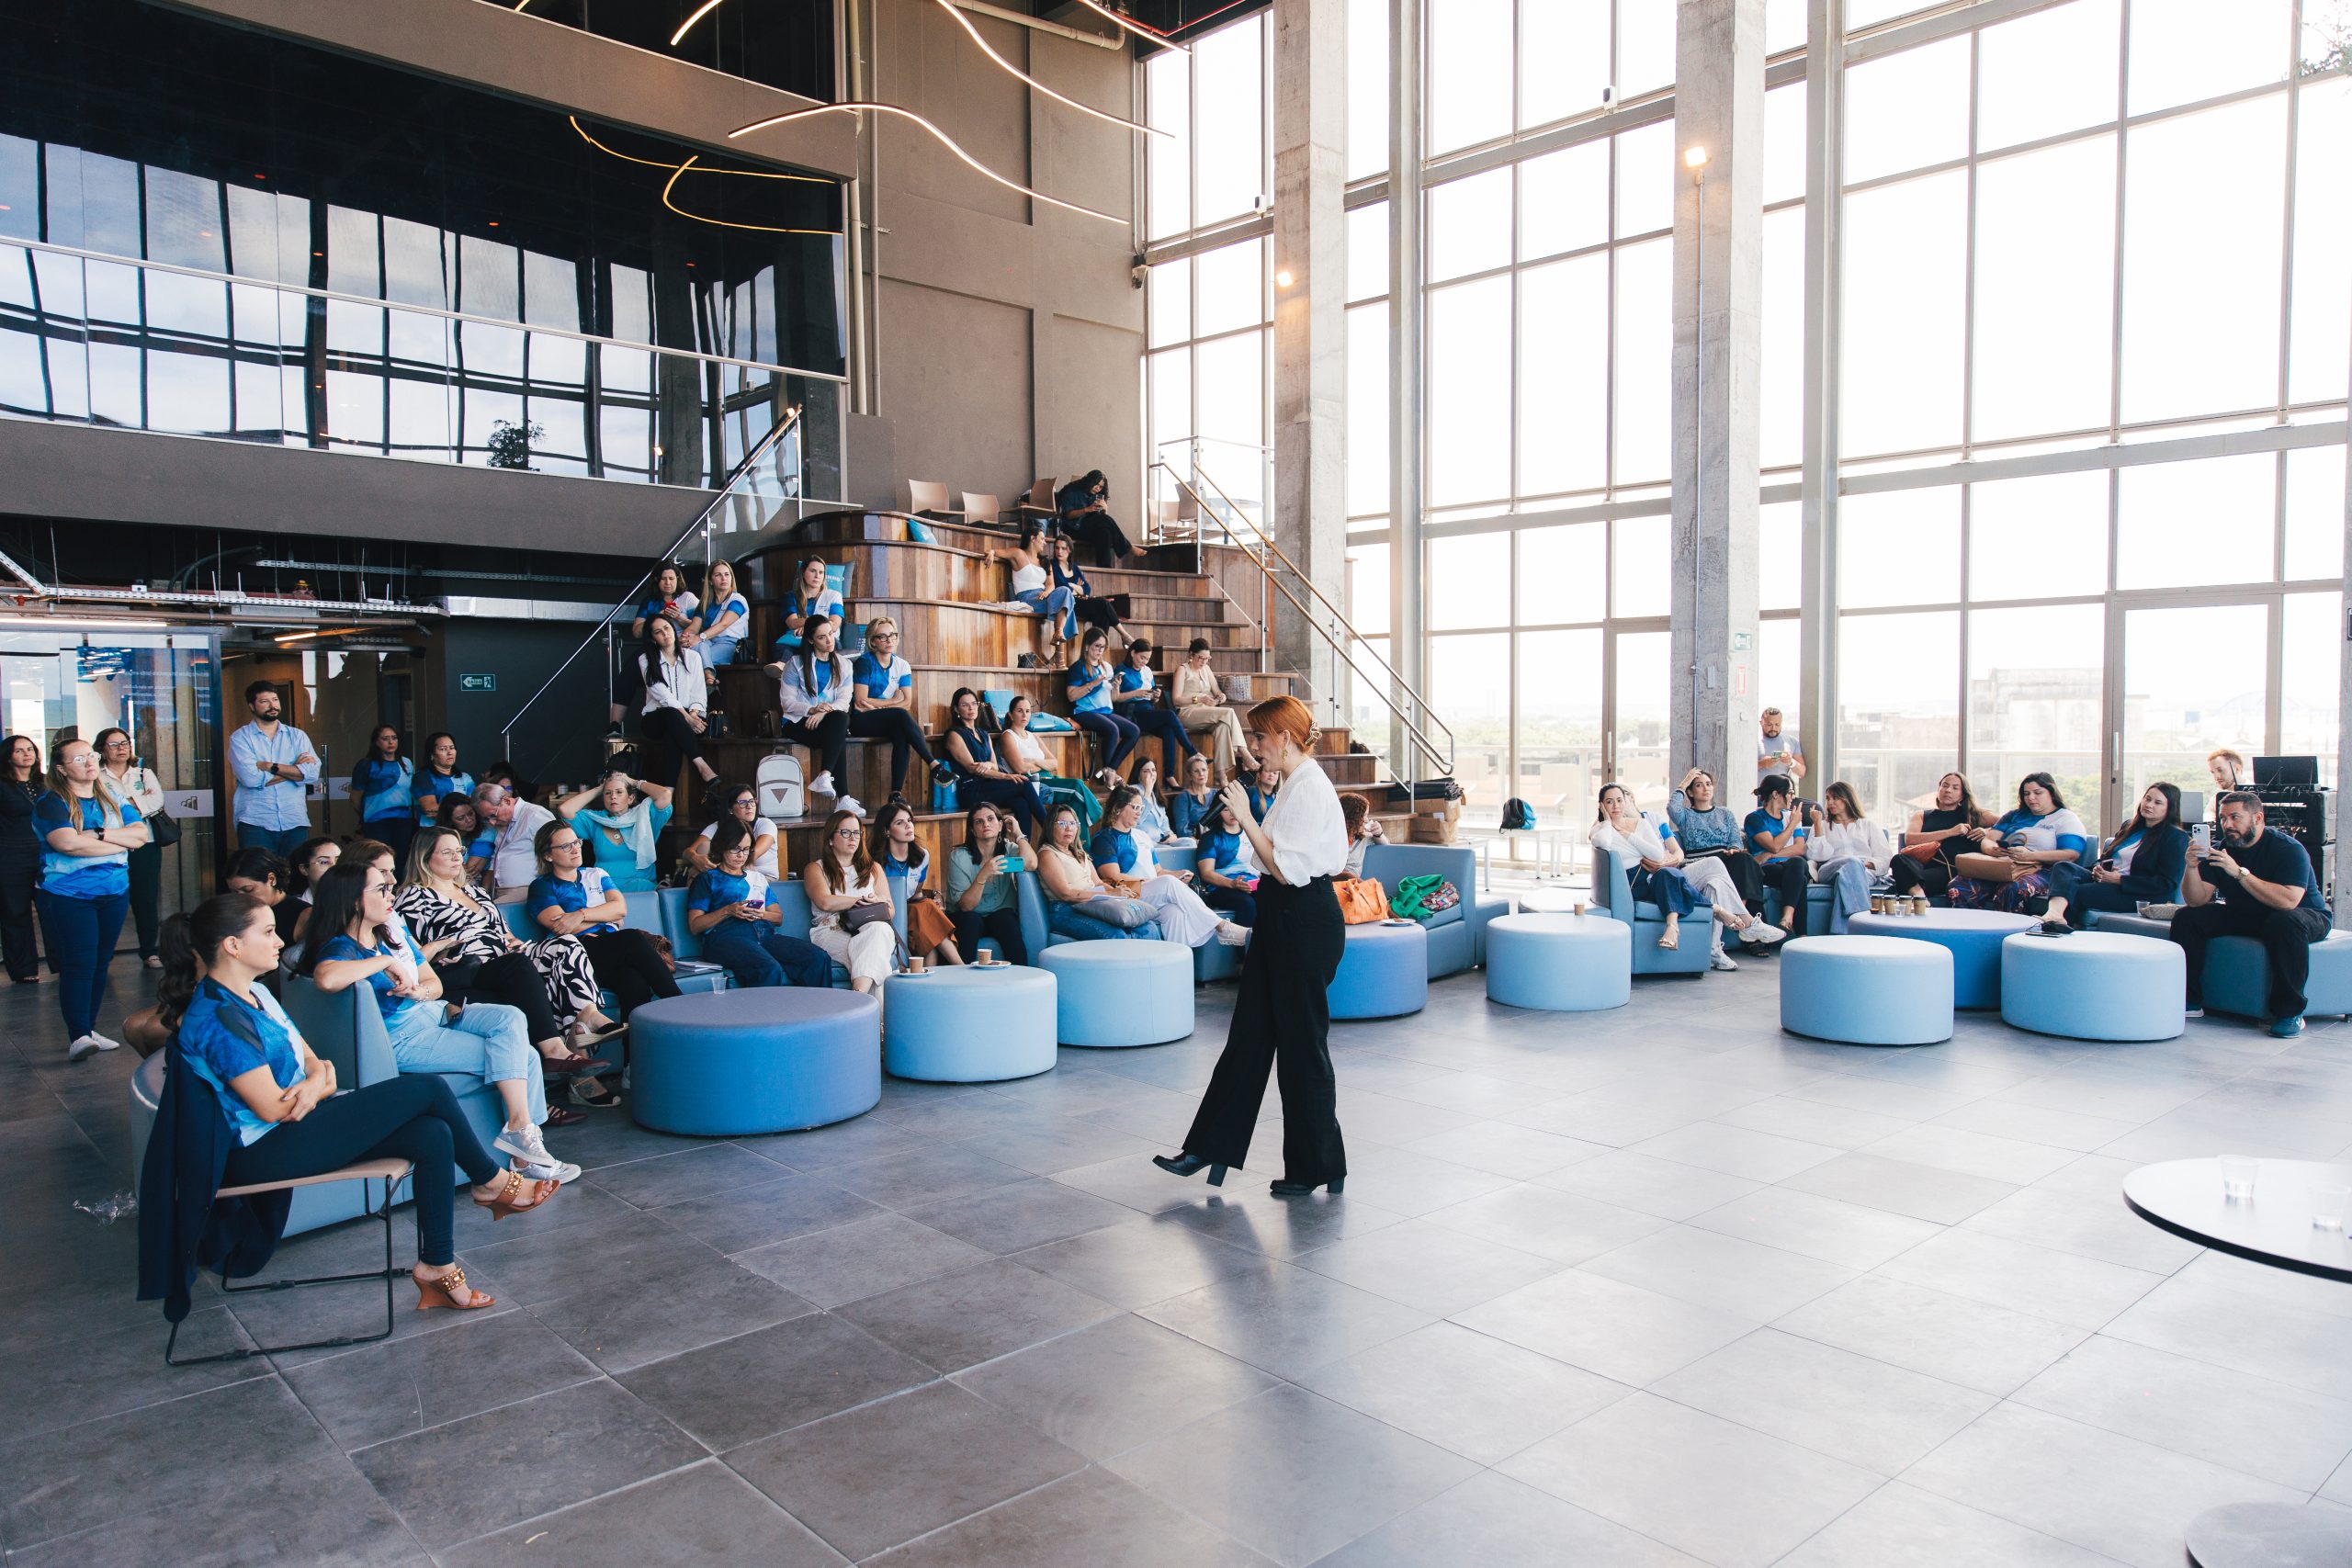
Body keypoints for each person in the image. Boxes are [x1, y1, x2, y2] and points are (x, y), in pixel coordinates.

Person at [158, 894, 559, 1314]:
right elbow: (274, 1109)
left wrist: (315, 1083)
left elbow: (315, 1061)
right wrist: (317, 1085)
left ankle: (437, 1267)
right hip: (260, 1150)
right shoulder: (217, 1016)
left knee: (432, 1134)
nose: (280, 942)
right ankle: (491, 1182)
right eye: (268, 932)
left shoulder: (257, 994)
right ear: (232, 946)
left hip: (297, 1122)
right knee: (427, 1090)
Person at [1153, 696, 1349, 1198]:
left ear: (1284, 735)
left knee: (1303, 1049)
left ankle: (1317, 1165)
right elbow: (1270, 864)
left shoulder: (1308, 787)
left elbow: (1285, 867)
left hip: (1304, 919)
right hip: (1282, 915)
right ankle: (1210, 1147)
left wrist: (1245, 814)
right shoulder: (1292, 783)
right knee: (1248, 1039)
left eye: (1260, 737)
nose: (1254, 746)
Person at [302, 862, 577, 1183]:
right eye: (380, 889)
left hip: (432, 1013)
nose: (389, 891)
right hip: (404, 1037)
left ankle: (520, 1134)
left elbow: (434, 985)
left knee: (511, 1016)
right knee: (527, 1056)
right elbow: (326, 978)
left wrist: (418, 990)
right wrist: (387, 961)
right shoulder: (343, 947)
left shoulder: (389, 934)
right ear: (353, 901)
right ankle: (525, 1155)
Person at [396, 826, 620, 1089]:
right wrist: (438, 950)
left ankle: (588, 1016)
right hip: (469, 966)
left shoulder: (475, 891)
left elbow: (503, 931)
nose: (458, 857)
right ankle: (557, 1054)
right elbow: (409, 951)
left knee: (566, 945)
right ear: (424, 858)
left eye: (460, 850)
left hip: (504, 955)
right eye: (448, 852)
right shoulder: (413, 896)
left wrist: (511, 939)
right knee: (520, 967)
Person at [2173, 790, 2335, 1037]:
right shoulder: (2222, 850)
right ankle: (2190, 1001)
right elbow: (2196, 900)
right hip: (2249, 913)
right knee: (2188, 917)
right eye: (2223, 818)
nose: (2227, 825)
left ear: (2257, 818)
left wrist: (2239, 872)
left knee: (2283, 922)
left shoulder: (2288, 849)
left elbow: (2288, 901)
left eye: (2235, 817)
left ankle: (2290, 1012)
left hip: (2303, 915)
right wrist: (2192, 867)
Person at [39, 736, 151, 1058]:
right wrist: (120, 843)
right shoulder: (52, 802)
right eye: (78, 759)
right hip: (71, 895)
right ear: (61, 769)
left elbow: (141, 836)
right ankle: (78, 1036)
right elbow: (68, 845)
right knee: (80, 963)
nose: (89, 762)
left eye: (90, 756)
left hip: (114, 892)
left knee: (101, 963)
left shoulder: (112, 794)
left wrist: (100, 835)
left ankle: (88, 1029)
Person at [1594, 782, 1781, 970]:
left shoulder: (1650, 821)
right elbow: (1603, 840)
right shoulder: (1604, 828)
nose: (1617, 805)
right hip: (1652, 880)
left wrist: (1661, 859)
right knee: (1704, 880)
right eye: (1610, 802)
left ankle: (1722, 941)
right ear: (1603, 805)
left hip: (1672, 870)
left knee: (1711, 871)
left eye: (1621, 799)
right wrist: (1610, 824)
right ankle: (1727, 925)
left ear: (1630, 800)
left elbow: (1669, 854)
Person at [527, 819, 680, 1017]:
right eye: (566, 846)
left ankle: (635, 1046)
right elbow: (562, 926)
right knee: (631, 938)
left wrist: (580, 915)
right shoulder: (542, 886)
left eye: (576, 842)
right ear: (548, 855)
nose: (575, 849)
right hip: (575, 955)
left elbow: (620, 909)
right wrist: (605, 916)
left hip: (609, 951)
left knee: (633, 981)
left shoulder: (596, 874)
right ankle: (677, 1002)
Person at [1090, 785, 1248, 949]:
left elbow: (1158, 872)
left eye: (1141, 808)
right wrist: (1157, 881)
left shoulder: (1142, 836)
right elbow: (1115, 877)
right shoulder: (1104, 838)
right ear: (1117, 808)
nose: (1139, 812)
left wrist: (1178, 874)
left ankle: (1177, 967)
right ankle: (1222, 927)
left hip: (1150, 892)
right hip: (1125, 892)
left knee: (1175, 913)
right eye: (1135, 807)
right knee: (1167, 883)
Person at [685, 818, 831, 988]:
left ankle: (815, 1012)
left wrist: (760, 913)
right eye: (736, 849)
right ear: (722, 846)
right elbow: (695, 926)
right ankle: (765, 1015)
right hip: (724, 939)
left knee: (817, 958)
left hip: (764, 935)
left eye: (746, 849)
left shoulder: (757, 878)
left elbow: (778, 918)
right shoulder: (707, 879)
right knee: (767, 967)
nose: (741, 855)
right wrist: (727, 911)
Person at [2041, 782, 2188, 933]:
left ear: (2169, 808)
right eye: (2147, 799)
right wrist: (2099, 868)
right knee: (2063, 867)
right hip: (2108, 880)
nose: (2149, 805)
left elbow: (2167, 883)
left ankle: (2057, 933)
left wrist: (2118, 879)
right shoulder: (2130, 827)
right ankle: (2055, 915)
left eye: (2157, 802)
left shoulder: (2175, 836)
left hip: (2140, 894)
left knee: (2077, 891)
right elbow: (2107, 857)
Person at [1946, 773, 2089, 916]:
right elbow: (1988, 839)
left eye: (2037, 793)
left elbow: (2071, 854)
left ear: (2051, 792)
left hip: (2041, 869)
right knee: (1959, 885)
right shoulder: (2014, 815)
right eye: (2026, 794)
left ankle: (2006, 934)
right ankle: (1969, 931)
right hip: (2003, 865)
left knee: (2013, 889)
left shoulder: (2065, 818)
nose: (2031, 798)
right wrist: (1992, 850)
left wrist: (2031, 856)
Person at [94, 728, 170, 971]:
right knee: (110, 898)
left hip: (143, 844)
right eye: (114, 744)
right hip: (110, 845)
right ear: (102, 749)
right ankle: (104, 953)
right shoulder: (97, 776)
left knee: (145, 900)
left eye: (125, 743)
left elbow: (156, 801)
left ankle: (149, 951)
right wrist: (137, 802)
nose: (121, 748)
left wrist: (121, 804)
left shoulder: (143, 773)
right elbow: (99, 807)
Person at [802, 810, 899, 993]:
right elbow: (825, 902)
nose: (852, 838)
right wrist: (863, 901)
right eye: (845, 833)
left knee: (879, 932)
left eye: (856, 833)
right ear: (831, 838)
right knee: (875, 958)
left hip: (869, 928)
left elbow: (890, 910)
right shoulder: (816, 868)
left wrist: (878, 903)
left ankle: (859, 998)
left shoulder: (873, 868)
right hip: (831, 930)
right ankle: (876, 1019)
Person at [1035, 802, 1161, 941]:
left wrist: (1121, 894)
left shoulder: (1079, 853)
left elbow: (1098, 883)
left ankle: (1147, 962)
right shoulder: (1048, 854)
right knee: (1116, 935)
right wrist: (1111, 893)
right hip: (1066, 910)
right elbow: (1065, 894)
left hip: (1093, 905)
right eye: (1062, 823)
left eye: (1073, 824)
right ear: (1050, 826)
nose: (1068, 828)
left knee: (1148, 927)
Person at [849, 615, 942, 797]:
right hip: (860, 721)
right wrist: (892, 702)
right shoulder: (864, 662)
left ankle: (895, 793)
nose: (889, 640)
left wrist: (879, 705)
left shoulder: (902, 665)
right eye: (882, 636)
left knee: (901, 732)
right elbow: (860, 701)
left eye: (892, 635)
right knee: (899, 715)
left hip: (884, 719)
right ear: (873, 642)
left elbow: (906, 703)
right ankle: (934, 764)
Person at [770, 614, 854, 802]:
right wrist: (811, 710)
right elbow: (787, 702)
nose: (829, 640)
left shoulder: (845, 665)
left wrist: (822, 712)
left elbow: (844, 700)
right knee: (838, 731)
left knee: (841, 719)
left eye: (831, 634)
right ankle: (844, 799)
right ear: (810, 640)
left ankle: (825, 776)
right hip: (798, 724)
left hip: (825, 723)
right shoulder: (795, 664)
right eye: (822, 637)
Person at [228, 681, 318, 854]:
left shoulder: (297, 736)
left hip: (294, 820)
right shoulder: (240, 738)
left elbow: (312, 773)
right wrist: (295, 769)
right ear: (252, 706)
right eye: (264, 701)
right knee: (258, 877)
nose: (272, 705)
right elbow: (251, 778)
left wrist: (271, 767)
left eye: (275, 700)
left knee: (294, 878)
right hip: (256, 822)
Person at [874, 797, 963, 965]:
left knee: (925, 912)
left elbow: (915, 894)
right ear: (887, 830)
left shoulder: (922, 856)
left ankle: (934, 977)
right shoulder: (876, 862)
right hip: (886, 915)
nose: (908, 826)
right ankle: (960, 966)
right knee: (923, 912)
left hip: (911, 912)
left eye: (909, 821)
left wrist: (934, 900)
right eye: (900, 823)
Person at [1669, 767, 1767, 916]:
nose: (1706, 788)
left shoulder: (1725, 813)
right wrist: (1685, 782)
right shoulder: (1685, 816)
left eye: (1709, 784)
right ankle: (1744, 917)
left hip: (1726, 858)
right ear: (1690, 792)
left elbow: (1735, 839)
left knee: (1745, 859)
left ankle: (1741, 910)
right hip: (1700, 862)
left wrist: (1733, 848)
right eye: (1699, 785)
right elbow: (1672, 808)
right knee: (1749, 865)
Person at [555, 771, 675, 891]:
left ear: (630, 798)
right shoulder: (596, 820)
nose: (613, 796)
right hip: (604, 890)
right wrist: (600, 788)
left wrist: (633, 782)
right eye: (608, 793)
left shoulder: (645, 817)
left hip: (641, 890)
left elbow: (664, 795)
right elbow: (565, 809)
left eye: (619, 792)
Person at [997, 694, 1097, 838]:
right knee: (1077, 785)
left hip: (1048, 778)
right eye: (1019, 711)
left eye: (1027, 711)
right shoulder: (1008, 736)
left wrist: (1033, 761)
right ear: (1011, 715)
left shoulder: (1033, 736)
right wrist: (1042, 765)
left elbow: (1054, 763)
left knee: (1078, 804)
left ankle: (1080, 846)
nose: (1024, 714)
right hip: (1033, 784)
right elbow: (1020, 768)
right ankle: (1094, 817)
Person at [637, 615, 718, 790]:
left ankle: (668, 794)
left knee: (673, 734)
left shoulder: (693, 657)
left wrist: (694, 714)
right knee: (672, 715)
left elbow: (699, 692)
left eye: (667, 628)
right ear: (653, 638)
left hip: (685, 720)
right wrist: (688, 719)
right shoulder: (646, 660)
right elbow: (662, 695)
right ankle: (701, 765)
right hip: (654, 719)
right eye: (658, 632)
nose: (665, 634)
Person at [943, 686, 1039, 835]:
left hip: (990, 786)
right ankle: (1050, 832)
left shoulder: (984, 733)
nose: (971, 708)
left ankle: (1022, 849)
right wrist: (1007, 776)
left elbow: (994, 766)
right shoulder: (954, 735)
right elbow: (972, 768)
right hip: (970, 789)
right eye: (965, 705)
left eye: (974, 703)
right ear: (956, 709)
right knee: (1024, 783)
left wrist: (988, 764)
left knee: (1021, 803)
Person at [1888, 772, 1992, 902]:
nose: (1948, 790)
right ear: (1938, 789)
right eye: (1945, 785)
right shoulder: (1921, 815)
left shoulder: (1974, 815)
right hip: (1920, 868)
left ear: (1962, 795)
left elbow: (2008, 823)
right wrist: (1950, 832)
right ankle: (1920, 897)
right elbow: (1910, 839)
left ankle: (1918, 897)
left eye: (1955, 788)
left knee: (1901, 884)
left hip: (1952, 871)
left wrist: (1987, 830)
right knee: (1898, 859)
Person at [945, 802, 1029, 964]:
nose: (985, 824)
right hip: (967, 916)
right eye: (979, 822)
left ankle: (1021, 979)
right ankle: (961, 980)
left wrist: (1019, 834)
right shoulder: (960, 857)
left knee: (1006, 919)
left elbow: (1031, 863)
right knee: (971, 921)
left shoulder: (1007, 852)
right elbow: (966, 907)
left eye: (991, 819)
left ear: (1000, 825)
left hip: (999, 914)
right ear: (972, 830)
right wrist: (983, 875)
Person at [1804, 782, 1892, 935]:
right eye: (1828, 798)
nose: (1830, 802)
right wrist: (1818, 826)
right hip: (1829, 869)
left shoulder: (1868, 825)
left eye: (1836, 798)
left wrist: (1865, 864)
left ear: (1848, 799)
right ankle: (1864, 924)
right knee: (1851, 862)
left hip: (1865, 871)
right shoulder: (1822, 825)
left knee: (1847, 874)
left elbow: (1884, 858)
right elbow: (1816, 856)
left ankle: (1840, 933)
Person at [1744, 774, 1821, 938]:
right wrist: (1792, 824)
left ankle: (1787, 918)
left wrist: (1770, 854)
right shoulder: (1755, 819)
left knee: (1798, 864)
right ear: (1776, 794)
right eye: (1790, 793)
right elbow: (1774, 844)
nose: (1792, 797)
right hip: (1768, 870)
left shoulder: (1790, 816)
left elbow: (1800, 848)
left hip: (1789, 866)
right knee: (1798, 876)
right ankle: (1801, 934)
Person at [1113, 641, 1203, 778]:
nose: (1145, 661)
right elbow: (1115, 698)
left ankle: (1169, 776)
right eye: (1142, 657)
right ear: (1132, 653)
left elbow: (1152, 697)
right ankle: (1192, 752)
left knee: (1169, 730)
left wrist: (1156, 696)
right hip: (1131, 713)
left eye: (1147, 658)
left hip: (1147, 711)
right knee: (1169, 715)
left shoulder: (1147, 671)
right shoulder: (1121, 670)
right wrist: (1135, 693)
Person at [988, 524, 1075, 661]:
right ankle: (1059, 655)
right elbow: (996, 551)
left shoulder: (1045, 562)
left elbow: (1051, 584)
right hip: (1027, 597)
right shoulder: (1018, 553)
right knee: (1067, 601)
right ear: (1032, 539)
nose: (1045, 543)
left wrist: (1046, 592)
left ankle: (1058, 633)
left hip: (1044, 596)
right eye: (1042, 539)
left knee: (1066, 594)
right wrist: (991, 554)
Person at [1171, 637, 1254, 776]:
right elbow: (1176, 700)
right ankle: (1244, 753)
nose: (1204, 662)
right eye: (1200, 658)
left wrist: (1222, 697)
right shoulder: (1182, 670)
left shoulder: (1207, 670)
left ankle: (1220, 774)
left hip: (1206, 712)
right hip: (1187, 713)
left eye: (1207, 658)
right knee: (1229, 712)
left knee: (1223, 727)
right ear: (1191, 655)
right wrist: (1199, 698)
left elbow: (1217, 691)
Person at [1068, 629, 1140, 783]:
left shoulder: (1106, 666)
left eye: (1103, 647)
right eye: (1097, 646)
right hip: (1084, 711)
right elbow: (1071, 695)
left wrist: (1116, 686)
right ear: (1087, 646)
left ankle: (1110, 769)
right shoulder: (1078, 667)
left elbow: (1113, 698)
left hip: (1105, 711)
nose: (1100, 650)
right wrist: (1093, 683)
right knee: (1113, 729)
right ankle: (1109, 773)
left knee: (1134, 731)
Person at [0, 734, 43, 984]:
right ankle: (23, 968)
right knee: (15, 913)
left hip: (46, 853)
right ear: (8, 756)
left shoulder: (45, 783)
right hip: (11, 854)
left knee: (52, 909)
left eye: (30, 749)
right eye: (19, 750)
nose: (27, 754)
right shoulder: (3, 785)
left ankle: (62, 962)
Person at [471, 781, 558, 898]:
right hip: (502, 894)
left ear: (506, 801)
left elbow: (559, 850)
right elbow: (496, 860)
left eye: (493, 815)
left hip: (531, 893)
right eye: (487, 819)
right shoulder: (502, 822)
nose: (492, 823)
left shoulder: (535, 815)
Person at [346, 724, 416, 864]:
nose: (391, 742)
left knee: (402, 860)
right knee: (379, 859)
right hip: (376, 821)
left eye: (394, 738)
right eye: (385, 738)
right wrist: (365, 816)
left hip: (404, 819)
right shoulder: (366, 765)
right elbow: (355, 798)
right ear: (376, 742)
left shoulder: (406, 762)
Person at [685, 783, 781, 880]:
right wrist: (696, 859)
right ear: (730, 809)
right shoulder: (718, 826)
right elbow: (688, 852)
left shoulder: (765, 824)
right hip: (728, 872)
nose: (749, 806)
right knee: (704, 847)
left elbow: (750, 857)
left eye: (752, 801)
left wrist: (715, 869)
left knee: (698, 873)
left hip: (762, 877)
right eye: (743, 802)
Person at [224, 847, 306, 955]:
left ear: (271, 879)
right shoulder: (233, 913)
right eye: (234, 892)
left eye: (248, 890)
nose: (241, 898)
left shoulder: (303, 915)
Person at [1048, 531, 1125, 641]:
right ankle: (1124, 635)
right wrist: (1078, 588)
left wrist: (1073, 586)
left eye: (1063, 548)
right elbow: (1062, 586)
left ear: (1069, 550)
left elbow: (1087, 589)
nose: (1059, 551)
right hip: (1067, 604)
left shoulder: (1074, 567)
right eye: (1057, 548)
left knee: (1102, 616)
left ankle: (1096, 648)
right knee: (1103, 603)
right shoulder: (1053, 565)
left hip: (1080, 602)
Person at [1194, 798, 1260, 926]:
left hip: (1252, 884)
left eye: (1234, 808)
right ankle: (1245, 944)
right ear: (1218, 812)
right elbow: (1206, 873)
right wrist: (1232, 884)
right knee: (1247, 903)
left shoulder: (1251, 833)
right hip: (1221, 888)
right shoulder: (1210, 838)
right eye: (1226, 809)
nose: (1232, 813)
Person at [1054, 468, 1133, 567]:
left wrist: (1105, 509)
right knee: (1104, 522)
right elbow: (1067, 515)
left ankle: (1105, 569)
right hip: (1073, 529)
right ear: (1090, 481)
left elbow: (1102, 521)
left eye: (1101, 487)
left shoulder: (1096, 496)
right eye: (1096, 484)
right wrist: (1087, 509)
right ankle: (1127, 547)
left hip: (1088, 529)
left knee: (1105, 531)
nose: (1098, 488)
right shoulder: (1072, 492)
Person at [686, 558, 751, 671]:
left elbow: (723, 625)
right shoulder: (706, 603)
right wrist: (685, 638)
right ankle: (709, 676)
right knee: (690, 651)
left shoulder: (737, 600)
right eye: (718, 575)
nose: (724, 578)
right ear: (710, 580)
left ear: (731, 578)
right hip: (707, 642)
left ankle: (708, 674)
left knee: (695, 658)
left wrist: (699, 637)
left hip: (731, 644)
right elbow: (694, 627)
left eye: (727, 574)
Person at [773, 557, 843, 656]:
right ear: (803, 573)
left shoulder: (834, 596)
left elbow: (834, 625)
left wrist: (808, 626)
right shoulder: (790, 596)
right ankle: (780, 668)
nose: (817, 576)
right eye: (812, 571)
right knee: (781, 649)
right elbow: (792, 623)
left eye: (821, 572)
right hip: (797, 639)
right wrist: (812, 623)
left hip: (826, 640)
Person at [412, 732, 473, 829]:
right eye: (443, 749)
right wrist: (462, 810)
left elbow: (474, 806)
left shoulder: (465, 777)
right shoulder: (423, 777)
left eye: (452, 748)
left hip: (463, 832)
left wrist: (443, 811)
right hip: (432, 833)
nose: (449, 752)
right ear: (432, 755)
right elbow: (430, 808)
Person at [1170, 753, 1221, 842]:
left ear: (1208, 771)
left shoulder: (1216, 794)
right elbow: (1182, 829)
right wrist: (1196, 841)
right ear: (1189, 775)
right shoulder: (1183, 797)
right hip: (1194, 841)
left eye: (1204, 770)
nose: (1201, 773)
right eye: (1196, 771)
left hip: (1217, 838)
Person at [1131, 757, 1178, 843]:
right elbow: (1137, 820)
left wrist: (1172, 836)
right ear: (1138, 775)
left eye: (1153, 770)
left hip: (1162, 840)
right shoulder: (1132, 791)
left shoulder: (1156, 794)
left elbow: (1165, 827)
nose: (1151, 774)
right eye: (1146, 771)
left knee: (1189, 842)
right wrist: (1147, 792)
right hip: (1145, 842)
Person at [1758, 706, 1805, 791]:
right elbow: (1740, 770)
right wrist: (1761, 764)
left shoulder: (1792, 741)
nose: (1773, 728)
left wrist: (1791, 762)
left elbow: (1802, 772)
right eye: (1769, 724)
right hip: (1760, 795)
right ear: (1761, 723)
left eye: (1777, 724)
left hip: (1783, 795)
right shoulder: (1752, 742)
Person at [1340, 792, 1385, 879]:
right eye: (1364, 815)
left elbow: (1386, 846)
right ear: (1353, 818)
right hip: (1335, 887)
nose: (1366, 820)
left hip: (1353, 886)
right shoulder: (1333, 839)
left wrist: (1379, 834)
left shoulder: (1363, 837)